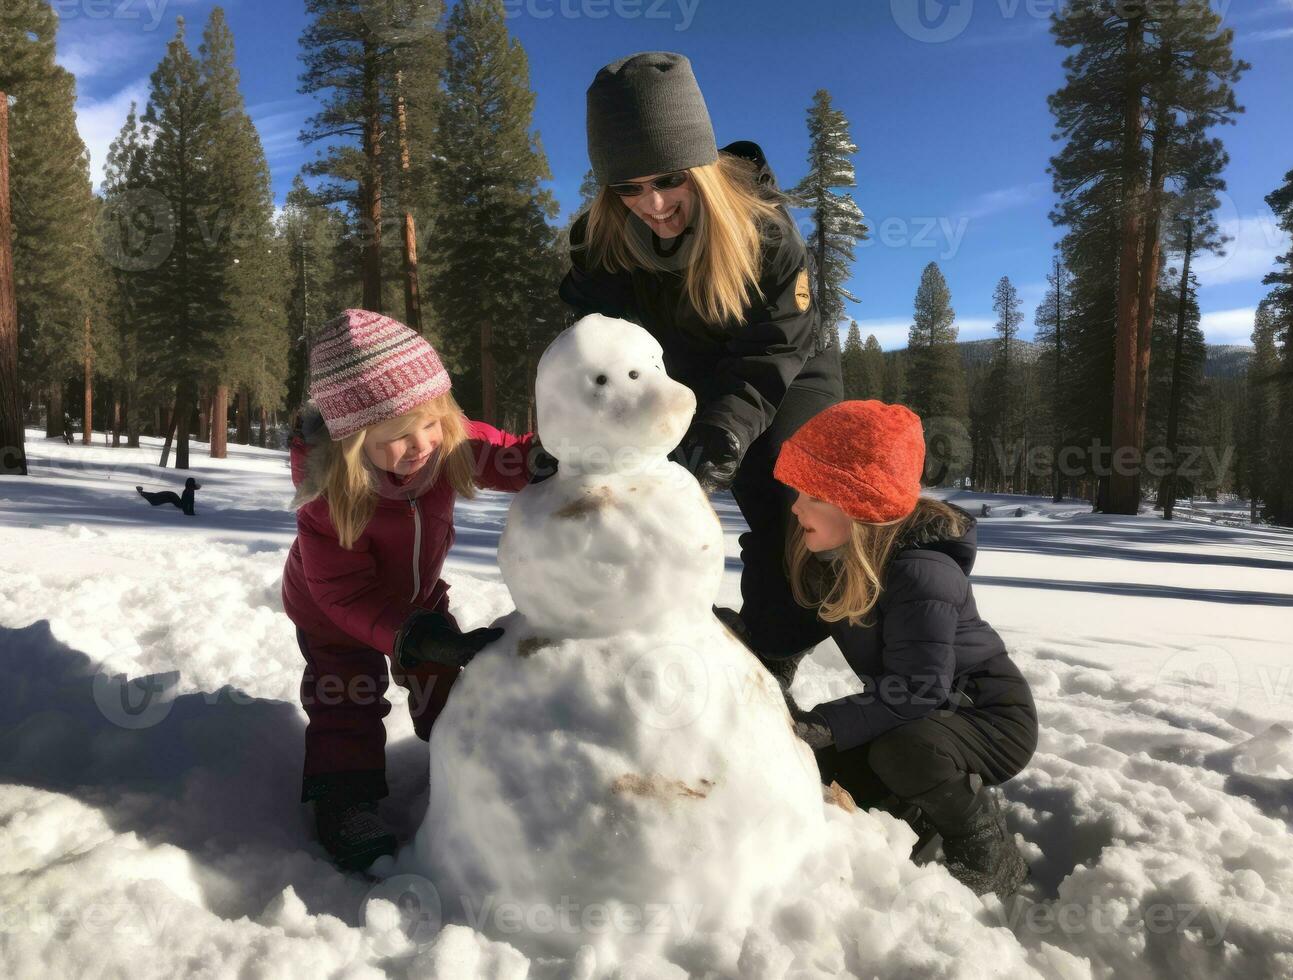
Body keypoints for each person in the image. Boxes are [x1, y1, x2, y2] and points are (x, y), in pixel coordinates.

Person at [559, 52, 843, 685]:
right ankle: (634, 638)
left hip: (784, 364)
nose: (652, 203)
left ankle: (774, 659)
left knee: (792, 497)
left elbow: (773, 350)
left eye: (668, 179)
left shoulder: (763, 232)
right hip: (675, 374)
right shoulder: (598, 244)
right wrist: (575, 436)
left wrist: (727, 431)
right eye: (628, 188)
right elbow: (593, 350)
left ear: (701, 167)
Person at [281, 309, 538, 871]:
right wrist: (411, 634)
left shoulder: (443, 444)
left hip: (418, 597)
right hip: (334, 615)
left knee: (441, 681)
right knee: (347, 694)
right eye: (397, 437)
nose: (422, 444)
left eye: (431, 423)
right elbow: (343, 596)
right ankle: (343, 799)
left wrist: (540, 459)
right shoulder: (330, 498)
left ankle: (461, 761)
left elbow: (499, 452)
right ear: (353, 441)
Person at [770, 399, 1038, 899]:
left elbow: (918, 688)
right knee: (827, 769)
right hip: (919, 711)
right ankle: (916, 808)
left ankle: (985, 848)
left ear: (859, 506)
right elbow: (788, 627)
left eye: (814, 495)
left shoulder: (922, 573)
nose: (796, 507)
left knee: (901, 752)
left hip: (988, 718)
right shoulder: (837, 558)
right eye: (797, 491)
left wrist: (825, 724)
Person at [135, 477, 201, 516]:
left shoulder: (190, 490)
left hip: (172, 497)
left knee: (155, 498)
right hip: (172, 497)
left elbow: (190, 503)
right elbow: (187, 505)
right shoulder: (188, 491)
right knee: (154, 500)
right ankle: (142, 492)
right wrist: (188, 513)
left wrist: (191, 512)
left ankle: (142, 492)